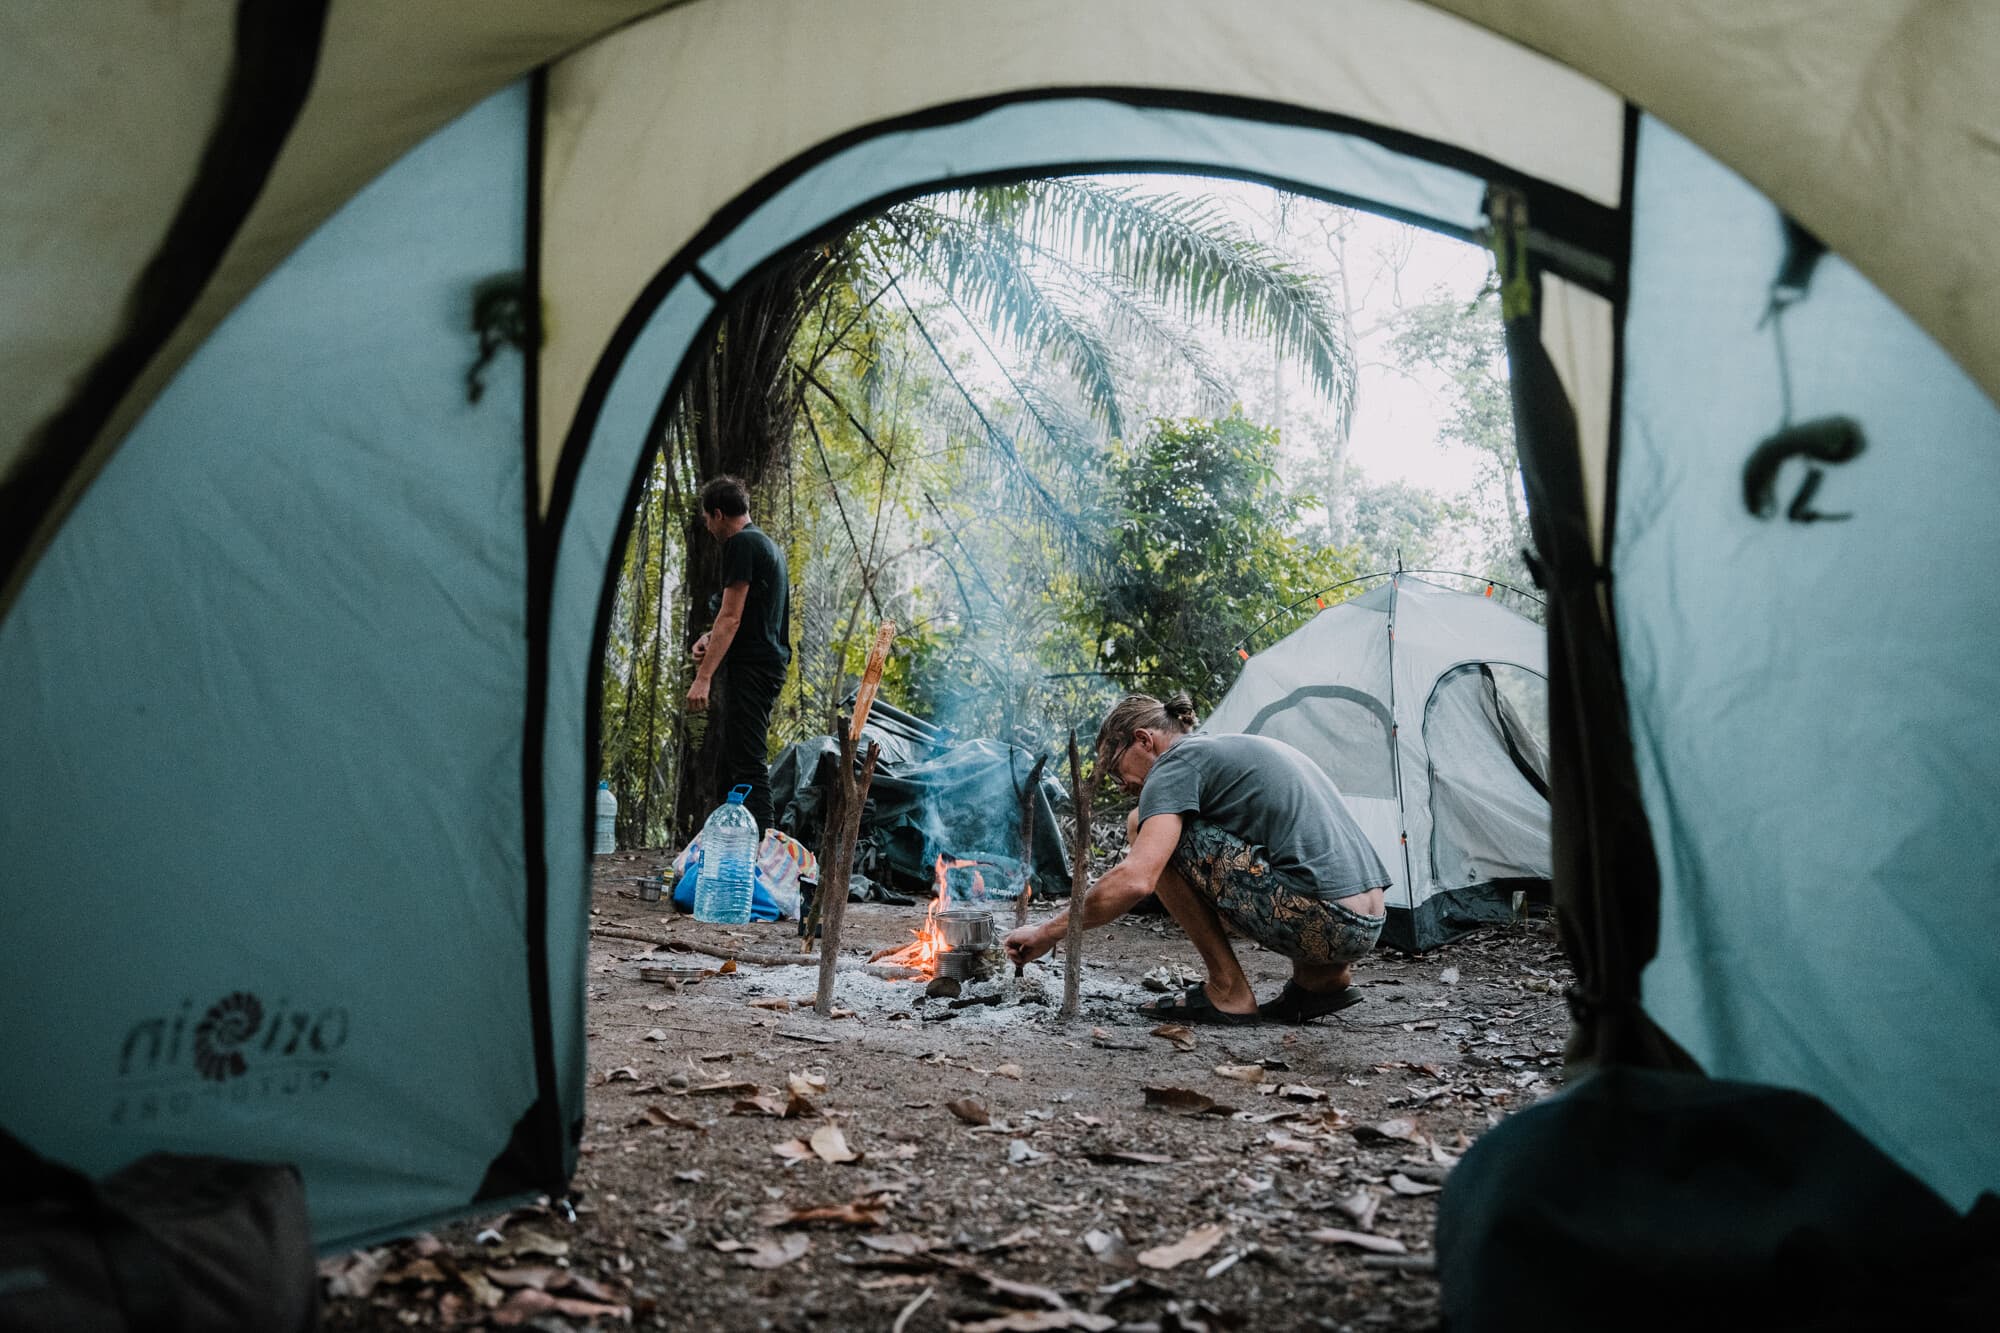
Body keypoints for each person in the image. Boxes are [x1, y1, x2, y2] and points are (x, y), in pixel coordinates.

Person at [1003, 692, 1388, 1025]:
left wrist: (1044, 932)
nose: (1124, 786)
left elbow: (1137, 879)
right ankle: (1321, 981)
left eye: (1118, 772)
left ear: (1142, 740)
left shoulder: (1174, 763)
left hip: (1322, 919)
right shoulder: (1222, 751)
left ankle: (1227, 989)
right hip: (1368, 923)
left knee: (1143, 824)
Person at [686, 475, 791, 833]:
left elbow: (730, 618)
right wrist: (708, 636)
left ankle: (764, 852)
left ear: (718, 514)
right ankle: (742, 846)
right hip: (765, 663)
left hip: (755, 667)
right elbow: (741, 614)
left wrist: (703, 678)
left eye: (707, 519)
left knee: (748, 761)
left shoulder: (741, 544)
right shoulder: (764, 544)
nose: (707, 527)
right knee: (740, 758)